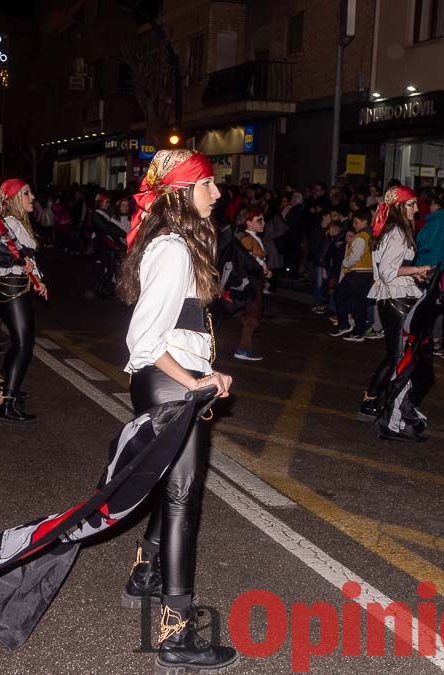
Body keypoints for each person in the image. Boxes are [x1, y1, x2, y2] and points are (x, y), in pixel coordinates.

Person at [115, 148, 238, 672]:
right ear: (184, 192)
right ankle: (176, 631)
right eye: (208, 184)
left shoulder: (177, 244)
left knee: (171, 489)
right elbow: (142, 340)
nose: (217, 193)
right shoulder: (172, 249)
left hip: (168, 384)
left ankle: (146, 573)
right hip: (171, 385)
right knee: (185, 501)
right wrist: (196, 382)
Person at [357, 186, 431, 420]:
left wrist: (412, 273)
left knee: (397, 356)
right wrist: (417, 268)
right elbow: (389, 272)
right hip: (395, 300)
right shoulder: (398, 232)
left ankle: (380, 401)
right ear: (400, 206)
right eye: (412, 204)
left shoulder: (391, 231)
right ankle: (373, 403)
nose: (417, 209)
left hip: (392, 298)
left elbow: (389, 269)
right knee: (397, 356)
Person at [0, 179, 48, 426]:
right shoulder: (8, 223)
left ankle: (0, 386)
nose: (32, 197)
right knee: (23, 345)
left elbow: (26, 256)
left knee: (21, 343)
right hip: (10, 286)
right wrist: (20, 263)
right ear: (13, 199)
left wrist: (39, 280)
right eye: (26, 193)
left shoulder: (17, 223)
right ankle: (6, 404)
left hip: (14, 285)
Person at [331, 208, 374, 342]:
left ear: (364, 221)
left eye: (356, 222)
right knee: (360, 303)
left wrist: (345, 263)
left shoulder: (361, 237)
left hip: (357, 272)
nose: (354, 225)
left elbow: (355, 255)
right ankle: (358, 332)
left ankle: (344, 324)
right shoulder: (372, 235)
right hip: (368, 273)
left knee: (339, 295)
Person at [234, 209, 269, 360]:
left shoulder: (249, 237)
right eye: (259, 220)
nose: (263, 223)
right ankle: (243, 349)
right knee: (252, 315)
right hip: (252, 282)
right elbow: (247, 259)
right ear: (248, 222)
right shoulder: (246, 238)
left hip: (254, 281)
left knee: (252, 313)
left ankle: (244, 349)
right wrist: (262, 266)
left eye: (263, 220)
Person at [414, 189, 444, 271]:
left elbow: (422, 242)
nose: (429, 207)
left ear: (437, 205)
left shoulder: (436, 221)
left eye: (431, 204)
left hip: (430, 263)